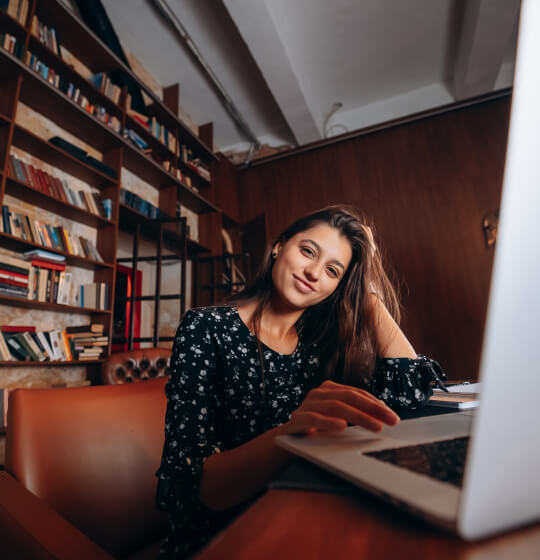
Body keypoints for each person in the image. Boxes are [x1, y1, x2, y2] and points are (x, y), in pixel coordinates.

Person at [155, 205, 446, 558]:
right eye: (308, 251)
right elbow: (187, 485)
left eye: (333, 270)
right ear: (279, 246)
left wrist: (367, 293)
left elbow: (411, 391)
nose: (313, 272)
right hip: (225, 535)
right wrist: (291, 434)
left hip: (306, 514)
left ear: (337, 287)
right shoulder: (206, 327)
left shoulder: (321, 344)